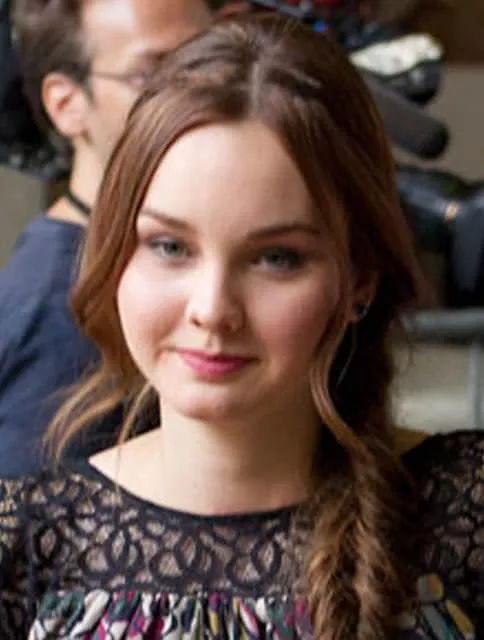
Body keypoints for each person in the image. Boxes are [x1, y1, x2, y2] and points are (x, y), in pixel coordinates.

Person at [0, 13, 482, 639]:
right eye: (170, 247)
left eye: (276, 258)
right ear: (115, 256)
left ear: (359, 280)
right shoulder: (27, 544)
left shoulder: (462, 513)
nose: (212, 308)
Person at [0, 0, 211, 474]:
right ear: (66, 104)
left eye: (210, 60)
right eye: (153, 74)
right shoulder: (63, 314)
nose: (205, 93)